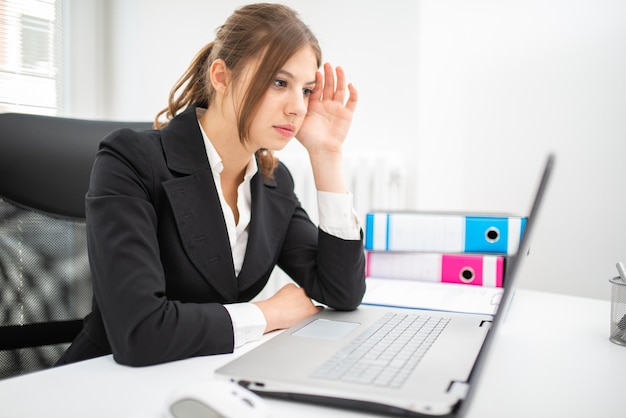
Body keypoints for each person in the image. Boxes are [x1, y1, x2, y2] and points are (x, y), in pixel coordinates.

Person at [56, 3, 366, 367]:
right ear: (221, 77)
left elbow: (341, 291)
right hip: (101, 381)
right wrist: (267, 314)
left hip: (202, 373)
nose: (298, 107)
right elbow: (139, 332)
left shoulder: (273, 183)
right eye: (280, 83)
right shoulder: (131, 159)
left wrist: (327, 155)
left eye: (306, 90)